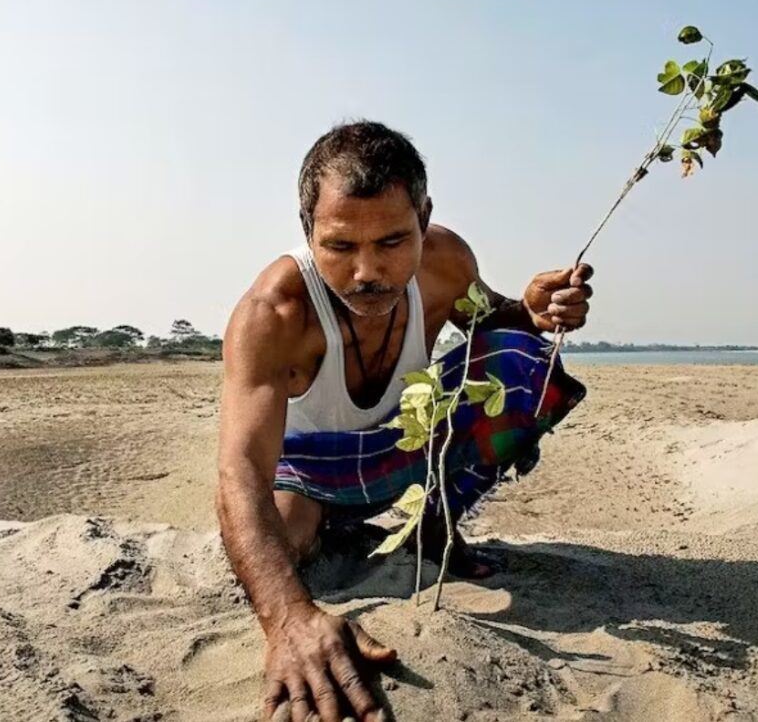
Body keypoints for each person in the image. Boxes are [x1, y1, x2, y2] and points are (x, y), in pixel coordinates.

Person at [217, 121, 594, 722]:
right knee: (284, 545)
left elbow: (493, 324)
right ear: (307, 230)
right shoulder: (273, 313)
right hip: (308, 472)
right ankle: (334, 527)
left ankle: (433, 526)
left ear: (424, 218)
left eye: (392, 241)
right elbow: (239, 468)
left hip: (408, 448)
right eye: (340, 246)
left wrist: (533, 310)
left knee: (525, 363)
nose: (367, 271)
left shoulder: (446, 261)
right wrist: (288, 619)